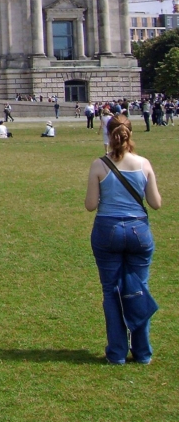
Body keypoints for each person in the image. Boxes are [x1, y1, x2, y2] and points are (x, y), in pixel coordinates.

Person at [85, 114, 162, 364]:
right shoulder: (143, 163)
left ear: (109, 135)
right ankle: (142, 352)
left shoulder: (99, 165)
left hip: (108, 229)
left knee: (111, 292)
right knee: (140, 289)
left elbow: (90, 205)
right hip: (138, 230)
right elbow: (155, 203)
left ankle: (117, 353)